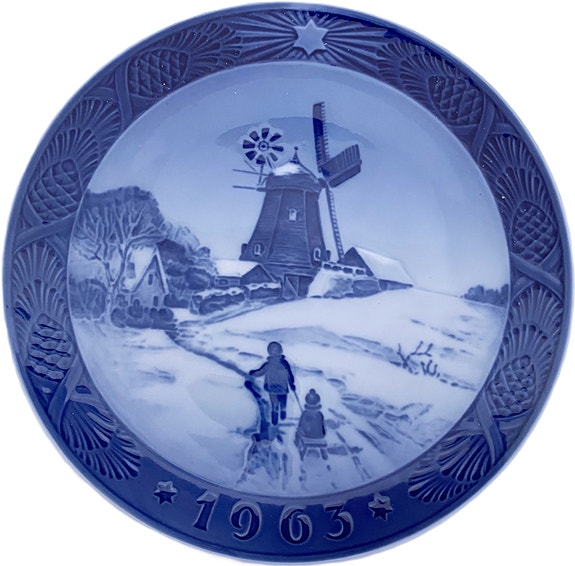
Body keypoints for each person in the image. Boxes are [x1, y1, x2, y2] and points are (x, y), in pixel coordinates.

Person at [249, 341, 296, 425]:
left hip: (272, 387)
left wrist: (253, 373)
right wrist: (291, 384)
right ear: (281, 351)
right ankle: (283, 411)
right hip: (283, 387)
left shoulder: (268, 364)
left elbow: (260, 372)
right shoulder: (285, 363)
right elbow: (289, 374)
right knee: (283, 400)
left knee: (274, 403)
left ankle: (275, 416)